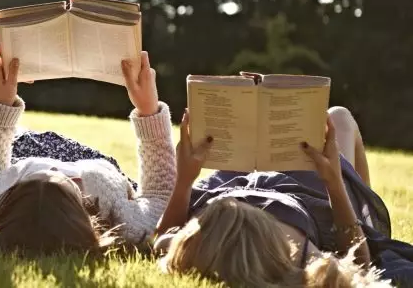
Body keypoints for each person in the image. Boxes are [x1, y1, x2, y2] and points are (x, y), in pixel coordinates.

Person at [154, 106, 411, 287]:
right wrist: (333, 181)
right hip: (305, 191)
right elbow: (359, 265)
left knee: (256, 124)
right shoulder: (294, 255)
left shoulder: (197, 247)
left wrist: (185, 180)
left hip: (233, 182)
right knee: (339, 118)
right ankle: (365, 219)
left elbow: (160, 239)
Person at [0, 46, 176, 255]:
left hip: (24, 149)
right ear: (84, 212)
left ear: (9, 197)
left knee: (21, 141)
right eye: (69, 182)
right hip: (96, 164)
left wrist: (1, 101)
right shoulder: (125, 224)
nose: (54, 167)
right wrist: (148, 111)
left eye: (32, 178)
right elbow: (159, 197)